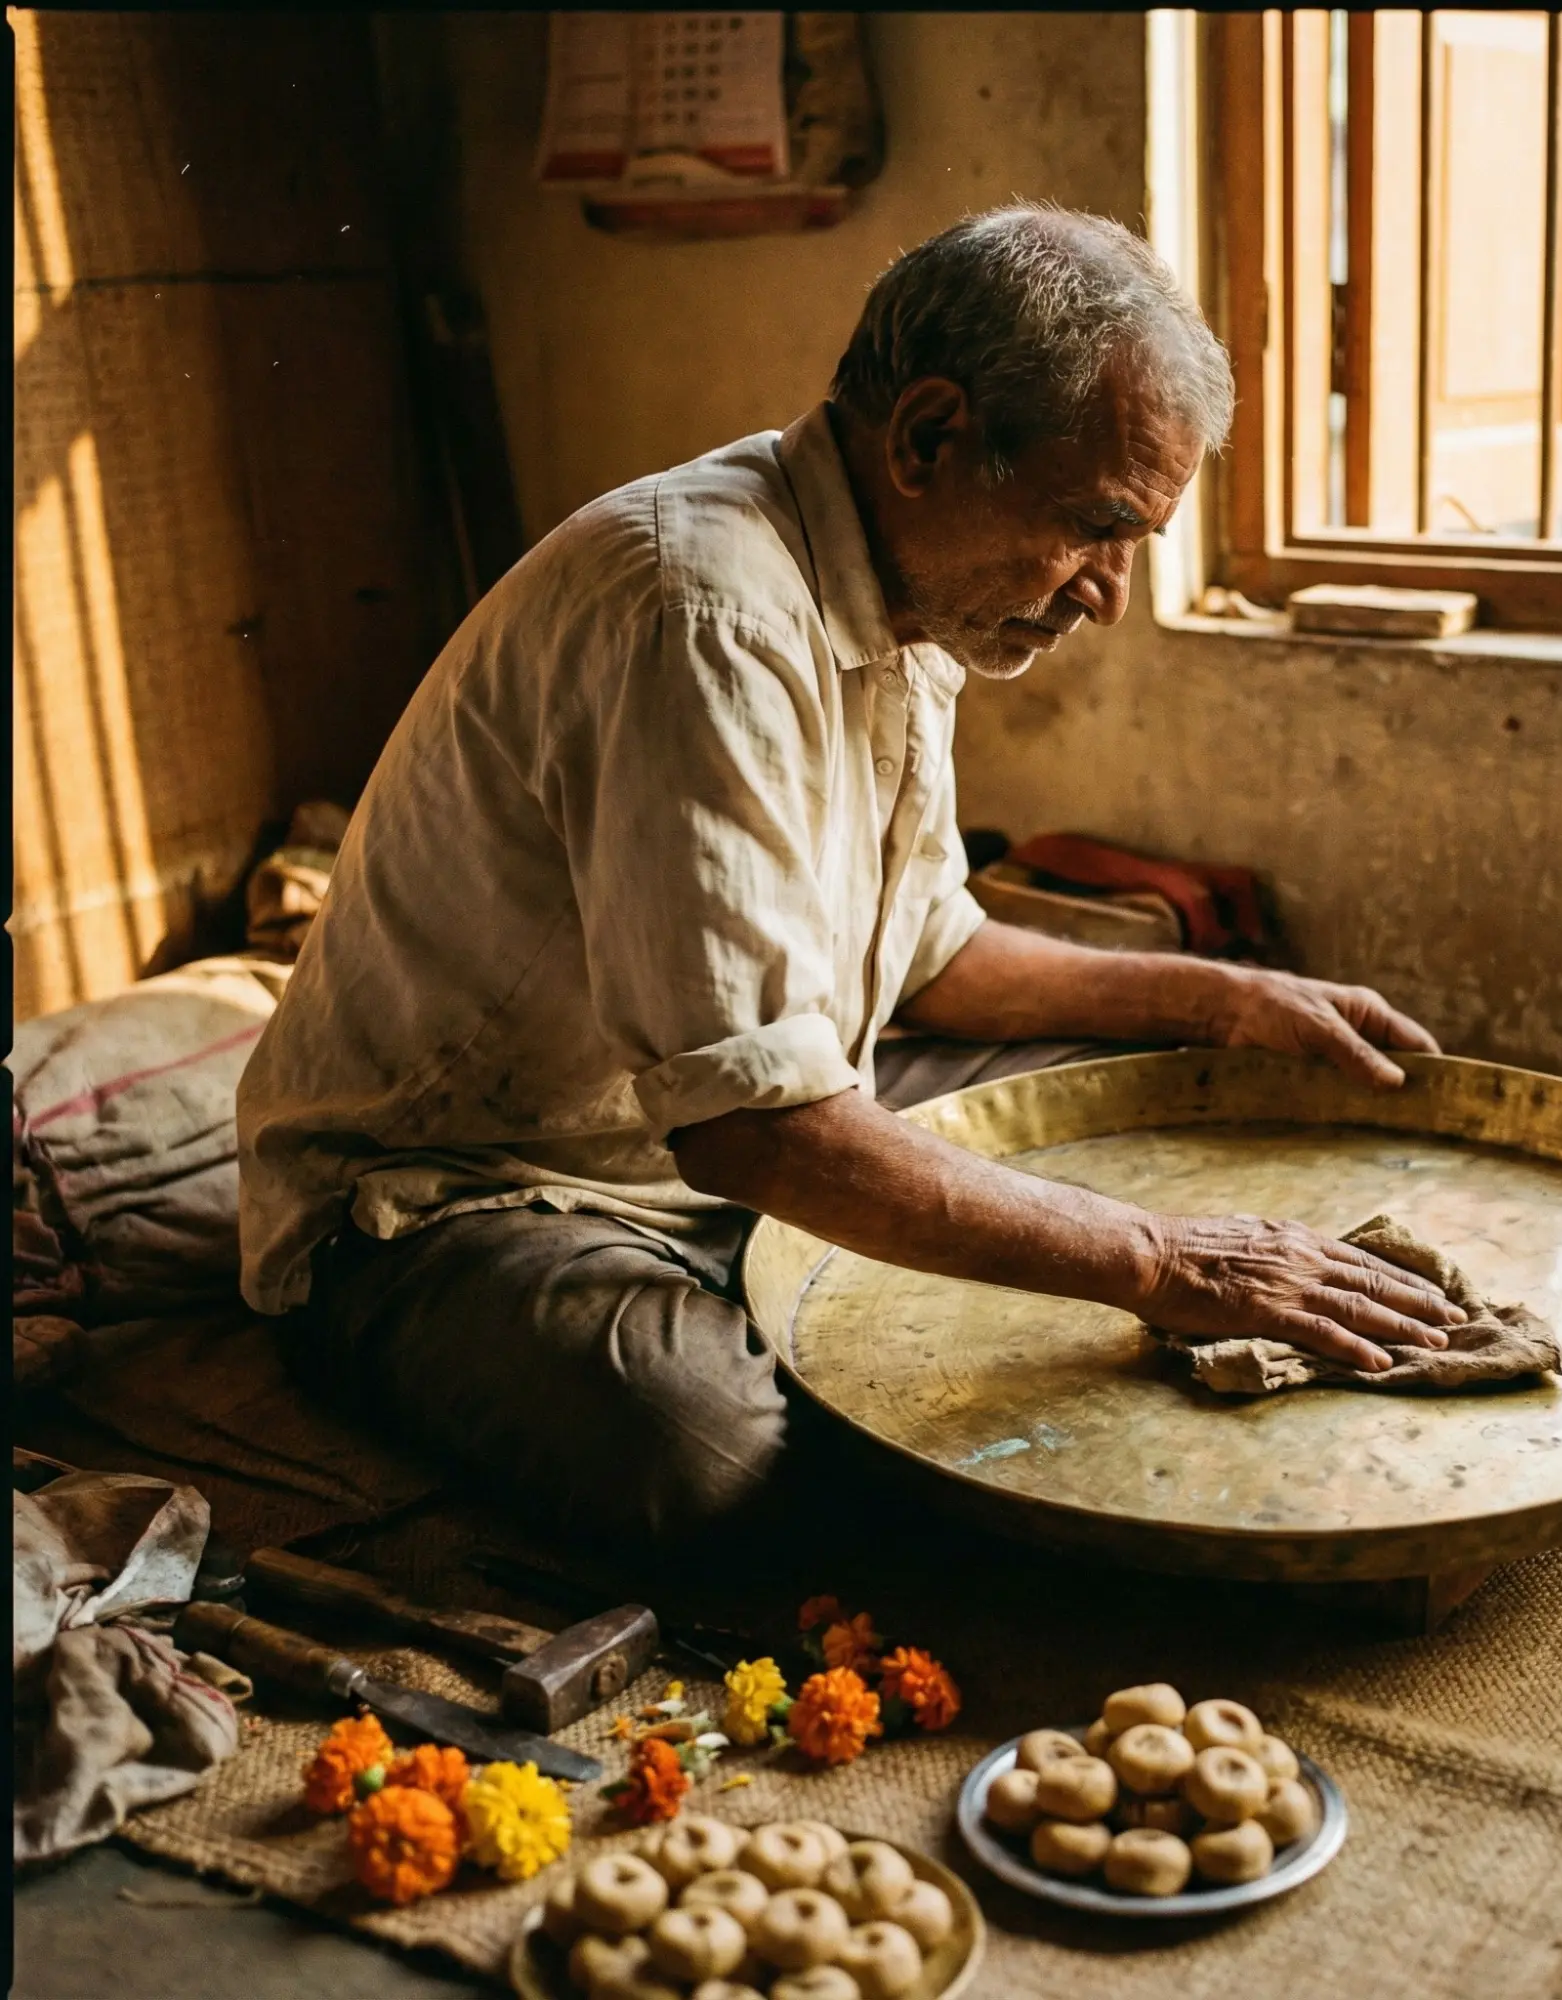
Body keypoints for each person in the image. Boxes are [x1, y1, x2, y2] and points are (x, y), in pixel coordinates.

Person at [236, 205, 1463, 1546]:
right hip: (460, 1195)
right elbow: (752, 1129)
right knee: (704, 1442)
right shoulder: (696, 609)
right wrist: (1160, 1261)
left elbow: (930, 955)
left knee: (1154, 1117)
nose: (1108, 592)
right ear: (930, 437)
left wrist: (1221, 1002)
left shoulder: (915, 590)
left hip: (730, 1118)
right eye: (1094, 527)